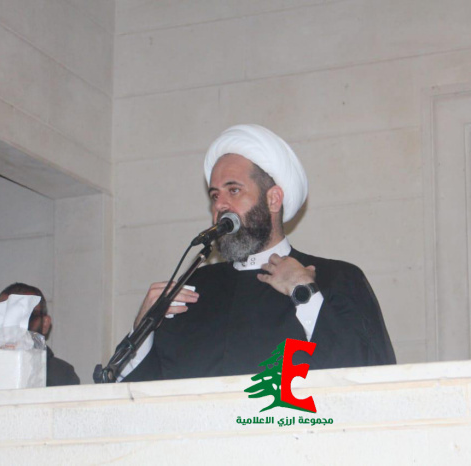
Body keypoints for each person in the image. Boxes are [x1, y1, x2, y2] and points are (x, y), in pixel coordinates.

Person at [121, 124, 395, 382]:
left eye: (234, 190)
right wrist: (143, 329)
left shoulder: (336, 279)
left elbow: (370, 376)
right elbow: (137, 394)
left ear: (273, 199)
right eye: (215, 195)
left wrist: (306, 295)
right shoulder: (193, 290)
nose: (220, 205)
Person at [0, 283, 80, 387]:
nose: (13, 326)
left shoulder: (61, 373)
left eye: (26, 316)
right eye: (2, 316)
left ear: (45, 324)